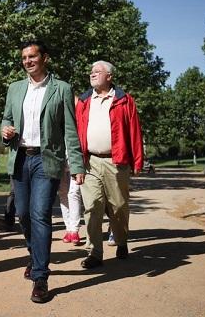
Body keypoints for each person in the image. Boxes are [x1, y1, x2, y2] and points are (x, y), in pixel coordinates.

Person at [1, 40, 85, 303]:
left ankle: (40, 276)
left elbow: (70, 130)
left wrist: (78, 165)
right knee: (23, 214)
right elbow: (7, 119)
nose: (27, 61)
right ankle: (34, 254)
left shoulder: (61, 88)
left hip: (46, 161)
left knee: (39, 215)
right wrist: (5, 131)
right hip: (20, 159)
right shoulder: (15, 89)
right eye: (24, 57)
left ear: (44, 58)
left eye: (32, 56)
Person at [75, 60, 143, 269]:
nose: (92, 74)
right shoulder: (84, 101)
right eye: (91, 71)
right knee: (93, 206)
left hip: (117, 160)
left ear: (110, 76)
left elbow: (134, 131)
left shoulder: (124, 100)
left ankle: (121, 241)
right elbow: (75, 133)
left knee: (119, 207)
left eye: (98, 71)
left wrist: (137, 161)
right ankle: (94, 252)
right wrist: (76, 161)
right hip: (90, 161)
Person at [58, 165, 84, 245]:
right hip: (60, 159)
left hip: (74, 160)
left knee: (74, 193)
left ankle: (74, 231)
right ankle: (69, 229)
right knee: (62, 193)